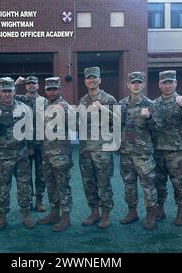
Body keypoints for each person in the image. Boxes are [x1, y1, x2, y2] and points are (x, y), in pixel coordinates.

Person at [0, 77, 35, 231]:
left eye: (10, 91)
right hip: (4, 157)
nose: (7, 94)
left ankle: (26, 214)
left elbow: (30, 130)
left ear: (14, 91)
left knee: (24, 187)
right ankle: (2, 217)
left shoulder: (23, 108)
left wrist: (31, 146)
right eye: (4, 91)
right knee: (3, 188)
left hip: (22, 155)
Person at [152, 70, 182, 226]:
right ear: (159, 84)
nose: (167, 85)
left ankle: (181, 211)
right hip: (158, 150)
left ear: (175, 84)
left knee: (179, 183)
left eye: (170, 82)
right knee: (158, 182)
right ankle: (160, 209)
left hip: (176, 151)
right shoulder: (154, 104)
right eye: (164, 82)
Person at [118, 72, 160, 230]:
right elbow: (115, 125)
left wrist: (149, 117)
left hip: (143, 153)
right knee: (129, 183)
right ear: (128, 85)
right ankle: (132, 212)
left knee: (148, 184)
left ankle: (150, 214)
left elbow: (158, 128)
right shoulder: (121, 104)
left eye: (139, 82)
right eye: (133, 82)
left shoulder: (150, 104)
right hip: (126, 152)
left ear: (143, 84)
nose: (136, 85)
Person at [78, 67, 117, 229]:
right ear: (85, 81)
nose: (91, 80)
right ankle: (94, 212)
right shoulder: (83, 100)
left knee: (104, 183)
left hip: (102, 151)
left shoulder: (109, 99)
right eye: (88, 78)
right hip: (86, 150)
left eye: (94, 78)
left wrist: (103, 108)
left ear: (100, 80)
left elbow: (119, 121)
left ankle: (106, 213)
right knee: (89, 183)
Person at [36, 77, 74, 232]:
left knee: (63, 186)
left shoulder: (65, 106)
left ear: (59, 89)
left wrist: (64, 113)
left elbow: (75, 126)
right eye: (49, 89)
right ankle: (54, 213)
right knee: (50, 185)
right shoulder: (44, 104)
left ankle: (66, 217)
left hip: (61, 155)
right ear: (45, 91)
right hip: (46, 154)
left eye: (54, 89)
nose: (51, 92)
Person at [14, 75, 47, 212]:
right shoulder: (20, 100)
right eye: (28, 84)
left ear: (38, 86)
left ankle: (39, 200)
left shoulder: (44, 101)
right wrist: (16, 83)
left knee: (41, 174)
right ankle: (27, 201)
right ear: (25, 86)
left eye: (34, 83)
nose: (31, 85)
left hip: (41, 144)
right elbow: (8, 94)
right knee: (25, 174)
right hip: (25, 144)